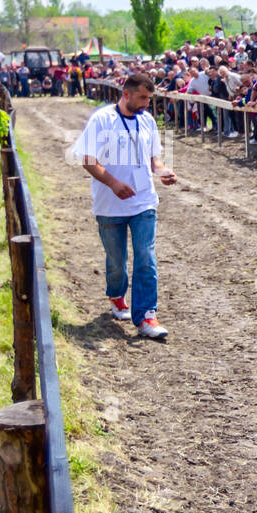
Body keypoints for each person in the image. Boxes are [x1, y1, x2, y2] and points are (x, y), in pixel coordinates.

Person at [74, 72, 177, 340]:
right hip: (110, 204)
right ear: (127, 93)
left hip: (144, 201)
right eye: (142, 97)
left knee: (146, 257)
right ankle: (117, 296)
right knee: (117, 260)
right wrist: (113, 183)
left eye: (149, 98)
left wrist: (164, 172)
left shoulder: (148, 121)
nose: (146, 103)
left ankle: (146, 316)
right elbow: (88, 160)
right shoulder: (102, 120)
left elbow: (155, 161)